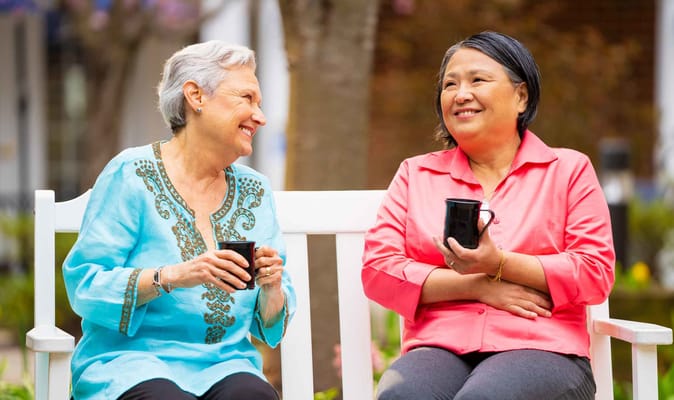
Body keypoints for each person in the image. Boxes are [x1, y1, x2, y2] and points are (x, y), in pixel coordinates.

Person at [362, 31, 615, 400]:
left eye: (477, 79)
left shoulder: (568, 170)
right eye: (450, 84)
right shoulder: (416, 174)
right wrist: (478, 285)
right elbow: (378, 270)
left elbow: (594, 272)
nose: (461, 94)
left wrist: (500, 262)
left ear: (521, 95)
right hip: (439, 347)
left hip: (541, 346)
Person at [62, 40, 295, 400]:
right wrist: (172, 276)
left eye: (260, 104)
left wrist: (271, 285)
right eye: (247, 99)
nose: (260, 116)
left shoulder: (255, 190)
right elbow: (85, 285)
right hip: (131, 362)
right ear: (196, 96)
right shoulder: (131, 174)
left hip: (225, 363)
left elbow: (270, 326)